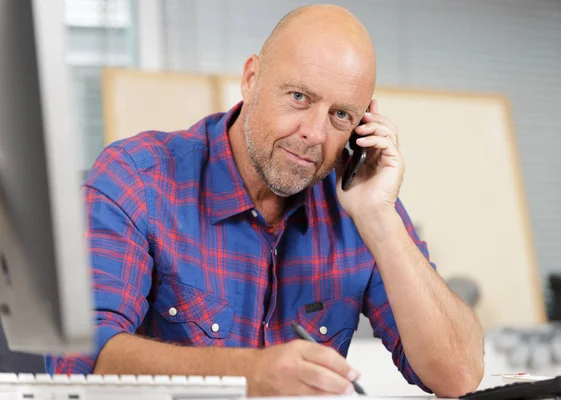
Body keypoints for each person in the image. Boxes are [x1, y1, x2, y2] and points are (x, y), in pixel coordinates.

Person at [46, 4, 484, 397]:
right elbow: (78, 362)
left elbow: (457, 376)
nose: (314, 132)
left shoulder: (357, 202)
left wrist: (381, 220)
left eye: (340, 115)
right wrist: (250, 374)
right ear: (251, 79)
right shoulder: (136, 179)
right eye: (299, 97)